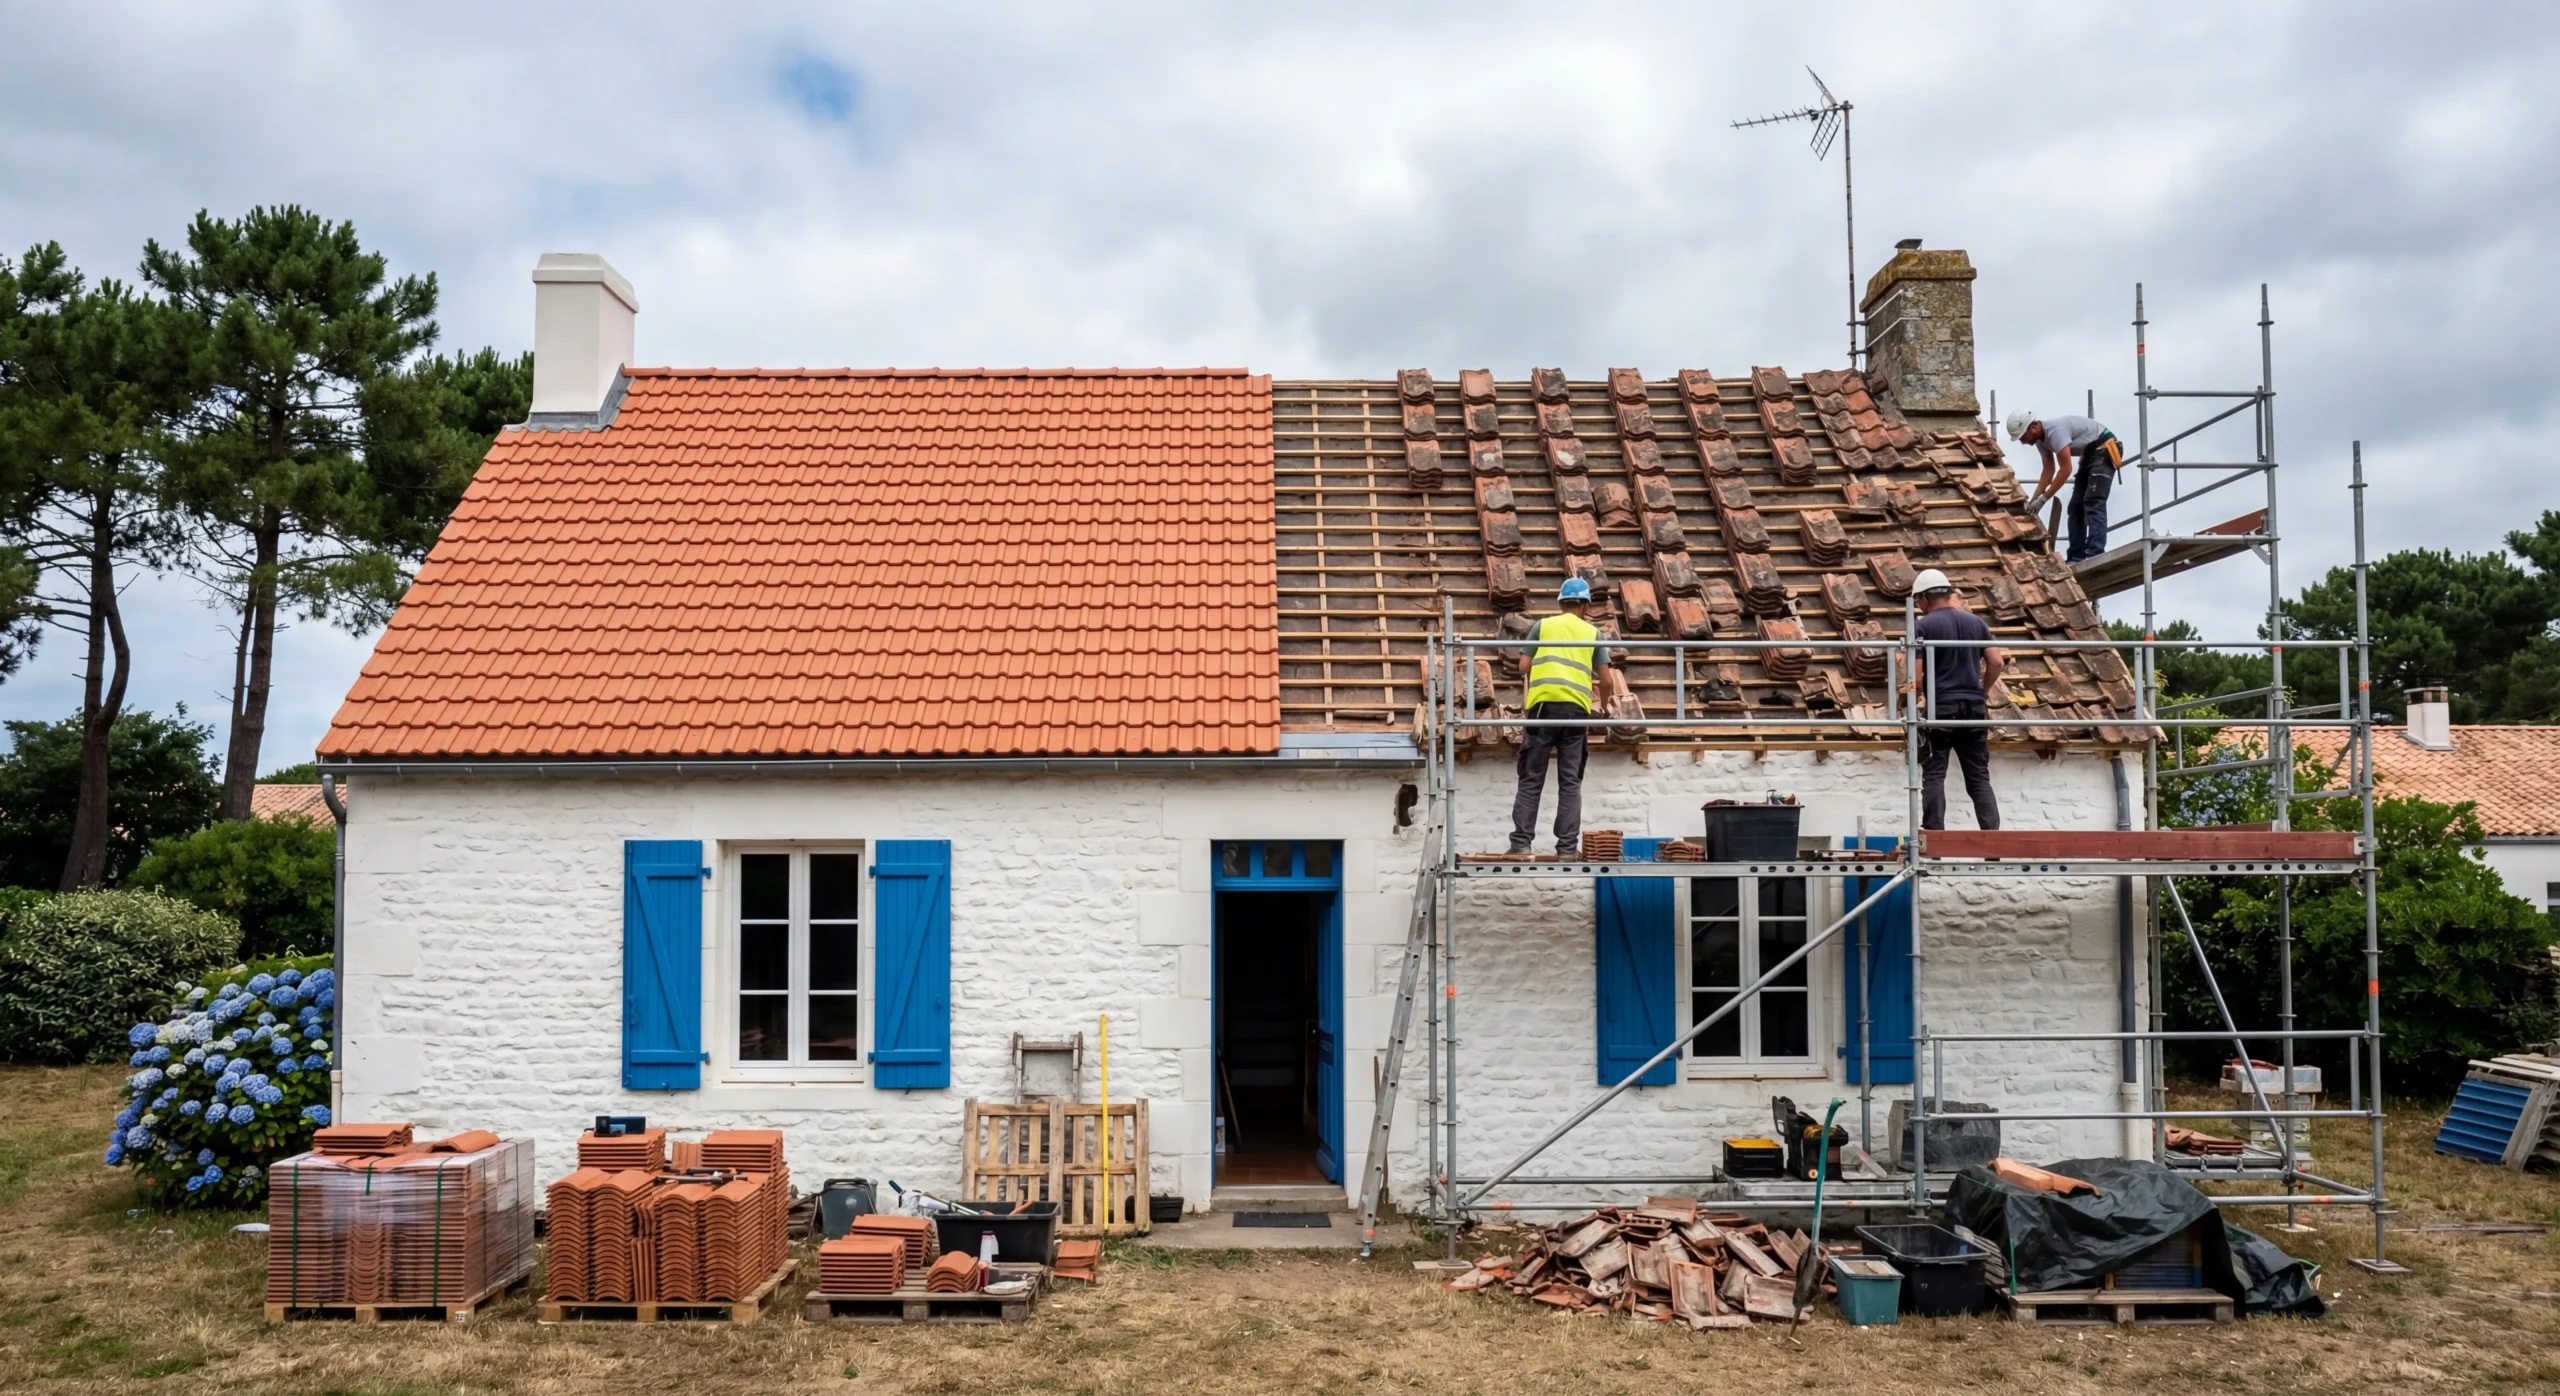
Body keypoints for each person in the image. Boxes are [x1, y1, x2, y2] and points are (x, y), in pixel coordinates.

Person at [1507, 577, 1610, 856]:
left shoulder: (1543, 626)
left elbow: (1523, 666)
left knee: (1531, 778)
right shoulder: (1593, 633)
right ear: (1586, 605)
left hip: (1541, 711)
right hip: (1576, 713)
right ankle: (1566, 848)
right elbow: (1606, 679)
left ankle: (1520, 845)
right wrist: (1605, 705)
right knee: (1570, 782)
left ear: (1561, 602)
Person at [1906, 568, 2004, 831]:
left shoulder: (1921, 626)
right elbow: (1997, 661)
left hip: (1940, 709)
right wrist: (1982, 692)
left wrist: (1916, 700)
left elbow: (1913, 676)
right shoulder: (1976, 623)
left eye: (1918, 601)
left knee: (1935, 775)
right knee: (1979, 778)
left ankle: (1935, 840)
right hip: (1973, 709)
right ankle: (1993, 844)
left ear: (1924, 598)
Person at [2007, 408, 2125, 564]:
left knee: (2093, 502)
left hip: (2104, 449)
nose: (2022, 441)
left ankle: (2095, 552)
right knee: (2075, 507)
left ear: (2033, 427)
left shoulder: (2055, 431)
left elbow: (2066, 469)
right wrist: (2035, 497)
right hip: (2090, 455)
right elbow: (2048, 469)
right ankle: (2076, 555)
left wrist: (2043, 499)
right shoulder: (2041, 440)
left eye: (2022, 436)